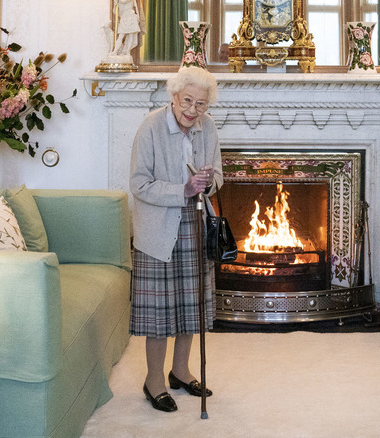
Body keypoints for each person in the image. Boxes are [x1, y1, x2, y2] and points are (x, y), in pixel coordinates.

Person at [129, 66, 222, 413]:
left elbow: (219, 176)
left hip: (196, 224)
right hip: (158, 229)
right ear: (173, 96)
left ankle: (180, 371)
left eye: (201, 104)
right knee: (160, 313)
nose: (193, 111)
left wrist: (208, 181)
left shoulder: (207, 127)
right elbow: (138, 184)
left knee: (190, 305)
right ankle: (154, 380)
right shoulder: (151, 127)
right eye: (187, 101)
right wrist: (182, 189)